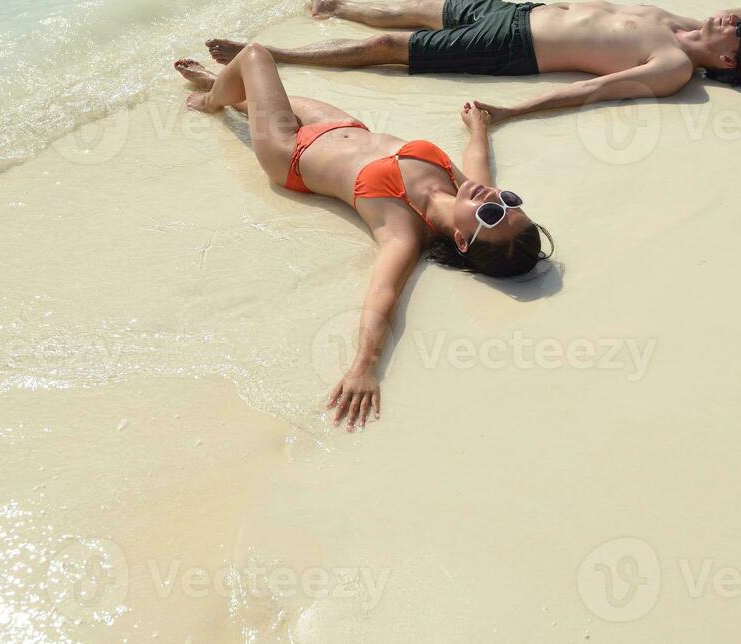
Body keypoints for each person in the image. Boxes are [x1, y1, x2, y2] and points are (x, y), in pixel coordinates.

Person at [175, 45, 553, 430]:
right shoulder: (470, 192)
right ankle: (227, 90)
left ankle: (211, 98)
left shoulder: (403, 230)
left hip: (288, 152)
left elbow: (384, 294)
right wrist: (478, 127)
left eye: (492, 215)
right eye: (510, 201)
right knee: (261, 96)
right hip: (344, 127)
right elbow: (478, 160)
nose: (494, 199)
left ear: (461, 240)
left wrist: (365, 366)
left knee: (255, 56)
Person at [205, 0, 741, 122]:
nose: (735, 22)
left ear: (730, 61)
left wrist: (513, 113)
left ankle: (271, 57)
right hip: (522, 11)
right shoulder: (687, 26)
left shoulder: (677, 66)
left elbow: (594, 91)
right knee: (422, 3)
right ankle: (336, 7)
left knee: (389, 47)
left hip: (514, 48)